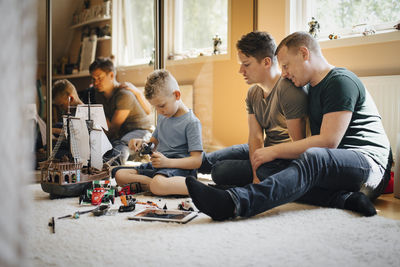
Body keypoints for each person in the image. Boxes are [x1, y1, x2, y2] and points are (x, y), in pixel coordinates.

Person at [186, 31, 392, 220]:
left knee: (313, 156)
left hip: (370, 167)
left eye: (286, 66)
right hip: (338, 170)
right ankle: (343, 199)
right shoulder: (309, 88)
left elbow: (328, 142)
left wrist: (273, 151)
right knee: (270, 171)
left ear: (304, 53)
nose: (283, 73)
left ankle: (236, 202)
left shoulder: (340, 81)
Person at [199, 31, 308, 187]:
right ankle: (158, 168)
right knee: (206, 161)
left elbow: (299, 147)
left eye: (246, 64)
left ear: (266, 62)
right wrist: (255, 173)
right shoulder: (253, 93)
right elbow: (255, 137)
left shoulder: (288, 89)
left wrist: (257, 177)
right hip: (265, 149)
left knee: (219, 172)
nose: (241, 71)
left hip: (283, 158)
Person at [112, 69, 203, 196]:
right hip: (160, 168)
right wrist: (142, 143)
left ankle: (188, 187)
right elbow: (153, 144)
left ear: (177, 95)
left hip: (180, 169)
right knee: (119, 175)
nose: (159, 112)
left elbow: (197, 161)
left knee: (158, 183)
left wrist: (168, 162)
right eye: (155, 108)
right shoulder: (163, 117)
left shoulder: (191, 122)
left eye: (161, 106)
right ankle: (156, 186)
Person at [89, 57, 153, 165]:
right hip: (121, 133)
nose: (96, 82)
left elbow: (113, 128)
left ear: (112, 75)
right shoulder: (98, 94)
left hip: (140, 131)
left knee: (120, 143)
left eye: (99, 78)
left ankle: (113, 165)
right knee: (109, 142)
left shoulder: (124, 95)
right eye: (93, 79)